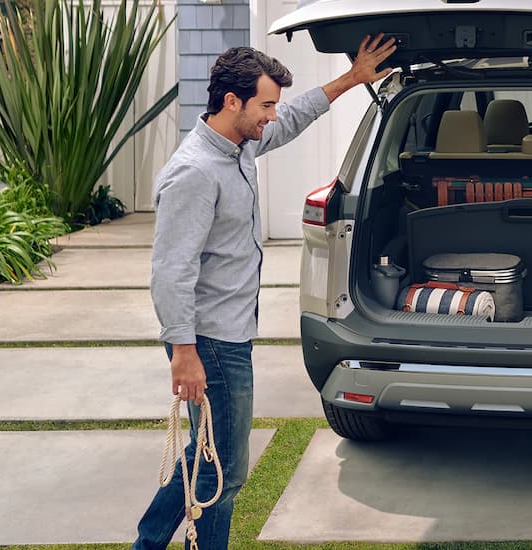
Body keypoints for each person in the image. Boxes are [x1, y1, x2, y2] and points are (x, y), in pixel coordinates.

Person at [133, 35, 396, 550]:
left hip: (224, 333)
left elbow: (295, 116)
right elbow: (171, 269)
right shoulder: (195, 173)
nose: (273, 116)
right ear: (232, 101)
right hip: (208, 339)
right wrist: (183, 351)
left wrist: (353, 76)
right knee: (226, 470)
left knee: (208, 456)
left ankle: (151, 543)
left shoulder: (239, 143)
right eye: (266, 104)